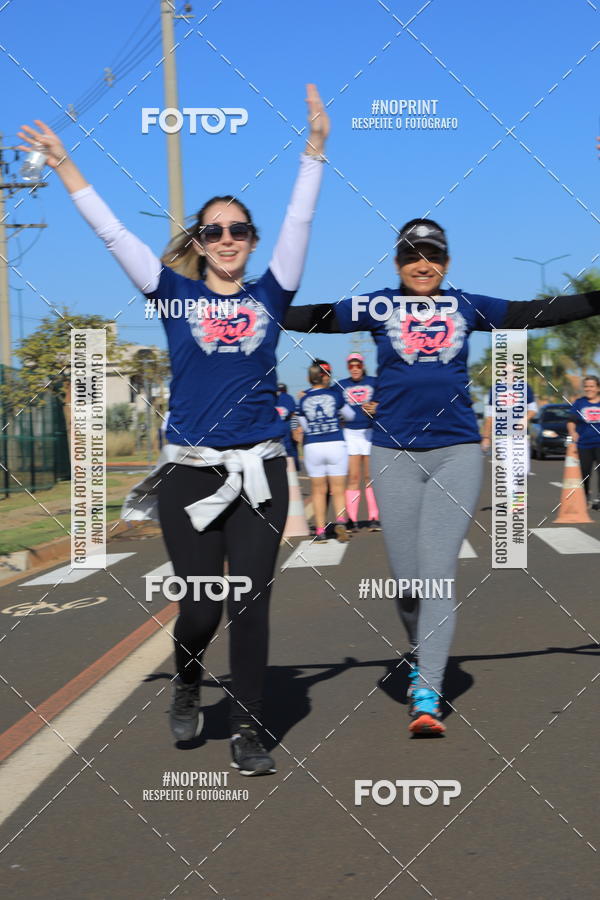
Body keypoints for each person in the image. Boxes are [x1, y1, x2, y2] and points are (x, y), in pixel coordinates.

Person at [19, 84, 330, 774]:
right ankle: (188, 678)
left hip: (261, 470)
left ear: (252, 241)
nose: (227, 239)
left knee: (251, 603)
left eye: (239, 230)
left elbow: (300, 221)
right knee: (201, 607)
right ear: (199, 242)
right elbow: (113, 235)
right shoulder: (172, 294)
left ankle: (249, 727)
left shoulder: (272, 293)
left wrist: (313, 150)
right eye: (213, 231)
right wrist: (66, 166)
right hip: (191, 474)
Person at [284, 216, 600, 736]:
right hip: (392, 454)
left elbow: (535, 311)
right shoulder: (378, 306)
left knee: (436, 575)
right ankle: (421, 648)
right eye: (411, 256)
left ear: (447, 263)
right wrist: (252, 303)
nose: (422, 264)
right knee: (407, 582)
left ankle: (427, 692)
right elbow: (315, 317)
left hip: (456, 454)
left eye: (431, 255)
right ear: (397, 264)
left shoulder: (467, 306)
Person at [296, 361, 355, 542]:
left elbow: (305, 427)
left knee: (318, 491)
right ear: (326, 376)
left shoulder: (303, 399)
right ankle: (341, 522)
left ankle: (320, 530)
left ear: (309, 378)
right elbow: (351, 415)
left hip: (313, 446)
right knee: (338, 489)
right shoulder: (335, 395)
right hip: (335, 443)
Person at [339, 352, 381, 531]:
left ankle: (374, 517)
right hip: (350, 434)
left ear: (363, 366)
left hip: (370, 432)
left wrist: (378, 406)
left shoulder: (374, 382)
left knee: (370, 477)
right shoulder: (341, 385)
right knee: (354, 477)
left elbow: (388, 397)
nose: (355, 369)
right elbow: (328, 396)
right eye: (351, 366)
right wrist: (307, 391)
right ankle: (352, 519)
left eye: (358, 365)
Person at [481, 376, 538, 473]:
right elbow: (490, 416)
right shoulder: (495, 389)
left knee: (523, 470)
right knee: (509, 466)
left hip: (520, 434)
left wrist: (525, 419)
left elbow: (533, 409)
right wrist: (486, 437)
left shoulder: (524, 387)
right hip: (502, 435)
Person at [567, 375, 600, 509]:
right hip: (584, 444)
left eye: (592, 386)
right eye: (586, 386)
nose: (589, 389)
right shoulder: (579, 403)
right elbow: (571, 421)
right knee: (585, 473)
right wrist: (573, 432)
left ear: (598, 388)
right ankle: (585, 497)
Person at [275, 382, 299, 470]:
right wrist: (295, 429)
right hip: (287, 432)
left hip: (274, 433)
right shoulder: (289, 398)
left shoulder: (272, 398)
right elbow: (294, 415)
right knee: (290, 457)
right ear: (286, 390)